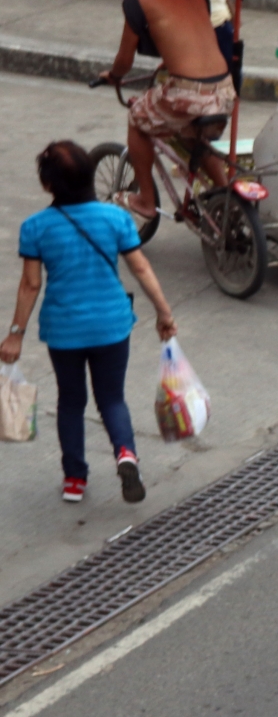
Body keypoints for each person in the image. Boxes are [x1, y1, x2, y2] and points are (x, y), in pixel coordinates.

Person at [2, 141, 177, 504]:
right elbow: (140, 267)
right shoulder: (116, 218)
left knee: (70, 402)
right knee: (112, 398)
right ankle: (126, 453)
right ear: (87, 176)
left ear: (48, 184)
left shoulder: (35, 227)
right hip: (112, 325)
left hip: (64, 330)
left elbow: (31, 284)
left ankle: (74, 480)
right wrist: (164, 313)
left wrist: (15, 335)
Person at [102, 0, 235, 223]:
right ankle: (226, 193)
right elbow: (191, 31)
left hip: (188, 93)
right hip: (224, 89)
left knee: (137, 118)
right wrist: (172, 59)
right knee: (192, 136)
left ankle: (147, 200)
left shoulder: (137, 2)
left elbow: (124, 61)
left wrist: (114, 76)